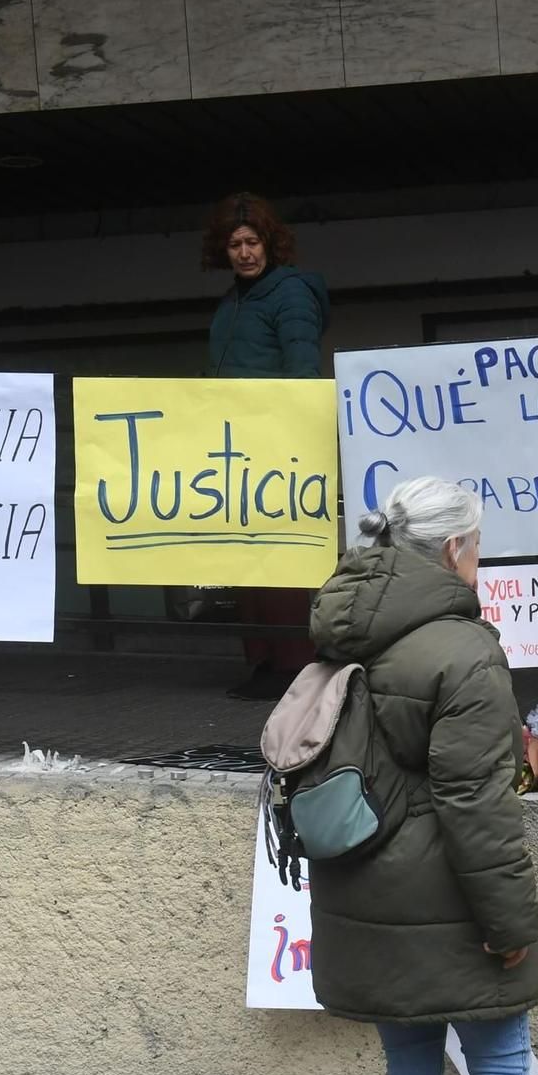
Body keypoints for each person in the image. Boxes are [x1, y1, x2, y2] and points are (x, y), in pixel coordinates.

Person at [306, 475, 538, 1075]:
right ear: (457, 548)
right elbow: (478, 809)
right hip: (451, 901)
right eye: (479, 542)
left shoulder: (347, 630)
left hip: (366, 889)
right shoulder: (462, 649)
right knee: (499, 1067)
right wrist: (511, 928)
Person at [204, 191, 329, 700]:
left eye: (252, 241)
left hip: (273, 445)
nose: (244, 252)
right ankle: (264, 659)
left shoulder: (291, 293)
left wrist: (291, 437)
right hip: (234, 442)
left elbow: (302, 368)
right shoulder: (233, 301)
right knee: (244, 557)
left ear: (270, 243)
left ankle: (292, 664)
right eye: (234, 244)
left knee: (276, 556)